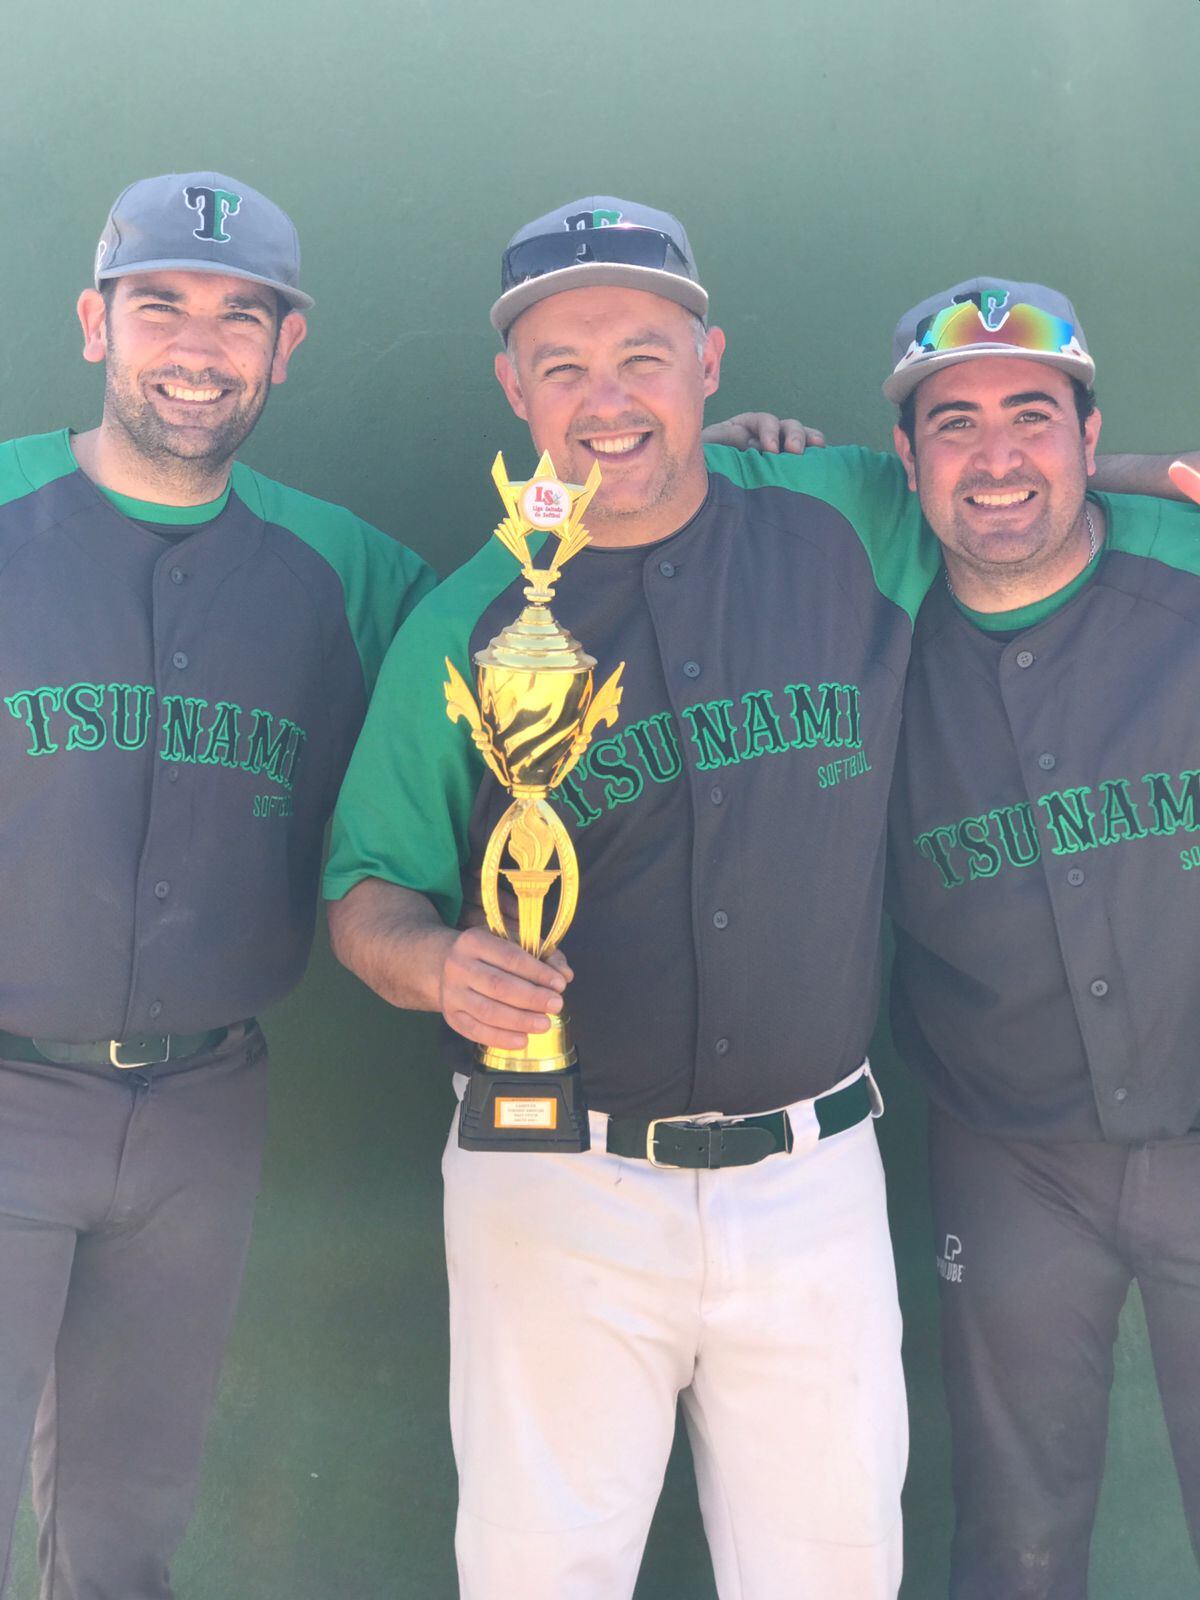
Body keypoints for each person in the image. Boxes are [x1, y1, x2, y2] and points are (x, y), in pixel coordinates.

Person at [324, 195, 946, 1600]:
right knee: (543, 1577)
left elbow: (1013, 491)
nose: (606, 399)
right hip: (557, 1175)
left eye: (643, 356)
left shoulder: (844, 516)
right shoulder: (467, 621)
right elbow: (367, 887)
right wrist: (437, 966)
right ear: (513, 389)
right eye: (563, 365)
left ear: (710, 363)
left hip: (814, 1178)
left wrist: (1146, 464)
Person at [0, 170, 435, 1600]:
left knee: (125, 1539)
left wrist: (742, 470)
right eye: (160, 306)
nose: (199, 347)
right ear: (92, 323)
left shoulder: (345, 567)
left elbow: (544, 600)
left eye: (240, 315)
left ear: (285, 347)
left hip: (202, 1105)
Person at [880, 280, 1200, 1597]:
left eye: (1035, 416)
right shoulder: (857, 624)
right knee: (1017, 1540)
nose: (998, 454)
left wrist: (1159, 478)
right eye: (955, 423)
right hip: (1010, 1152)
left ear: (1089, 435)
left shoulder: (1181, 570)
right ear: (903, 460)